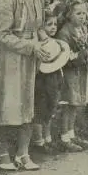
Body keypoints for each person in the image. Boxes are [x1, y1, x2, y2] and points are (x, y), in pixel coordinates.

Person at [0, 0, 48, 171]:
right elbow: (1, 35)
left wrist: (47, 44)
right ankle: (2, 151)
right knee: (9, 103)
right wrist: (29, 45)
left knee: (29, 102)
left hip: (33, 56)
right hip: (12, 58)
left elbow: (39, 27)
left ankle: (23, 153)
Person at [55, 0, 88, 152]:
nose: (82, 17)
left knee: (75, 104)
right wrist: (81, 54)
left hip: (80, 72)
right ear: (69, 15)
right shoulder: (65, 32)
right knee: (68, 104)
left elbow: (87, 46)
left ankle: (72, 134)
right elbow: (64, 56)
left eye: (84, 13)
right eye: (78, 13)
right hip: (69, 73)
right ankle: (64, 137)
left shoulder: (83, 29)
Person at [31, 11, 68, 153]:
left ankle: (48, 138)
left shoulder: (54, 43)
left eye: (55, 24)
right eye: (49, 24)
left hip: (54, 75)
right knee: (41, 108)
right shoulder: (40, 45)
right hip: (42, 78)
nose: (53, 27)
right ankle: (39, 141)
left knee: (51, 107)